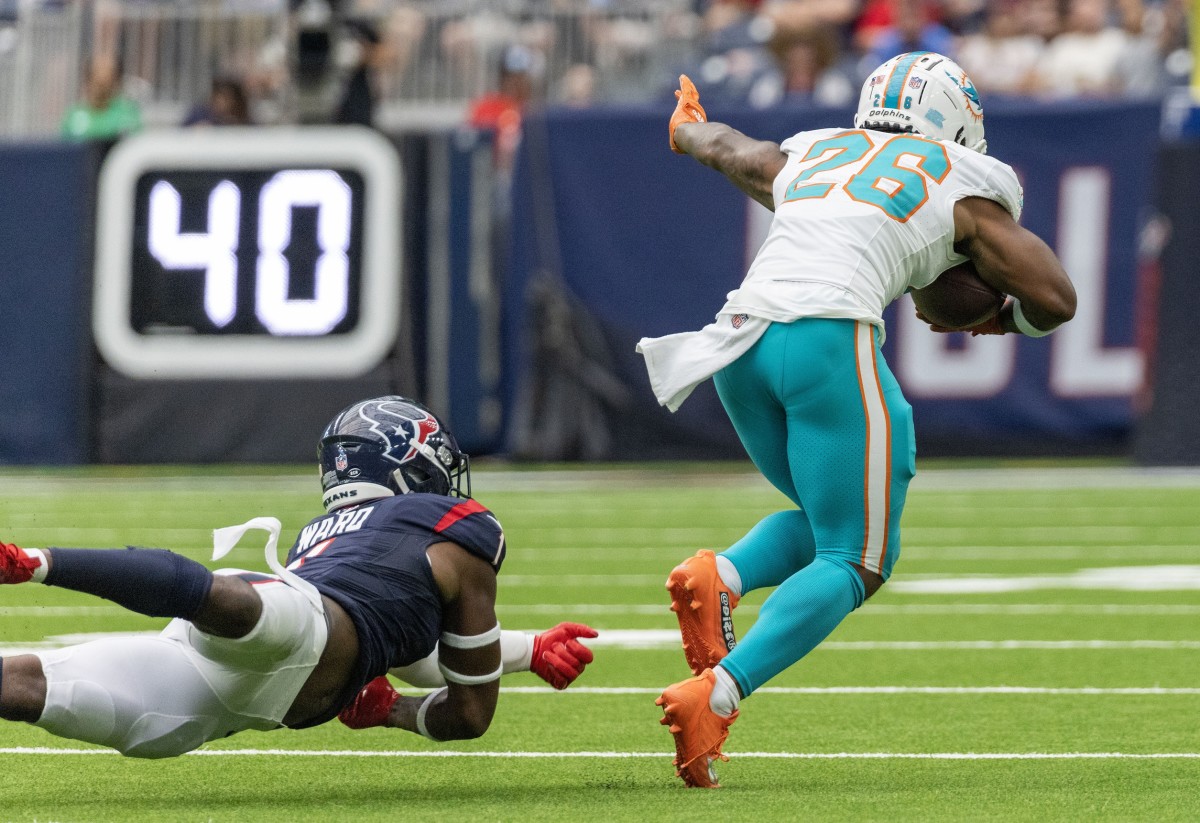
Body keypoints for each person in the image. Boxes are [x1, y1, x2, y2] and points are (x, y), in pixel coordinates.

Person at [638, 52, 1076, 787]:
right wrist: (1006, 321)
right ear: (955, 120)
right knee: (860, 558)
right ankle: (719, 691)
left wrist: (688, 129)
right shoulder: (965, 180)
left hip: (739, 341)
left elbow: (733, 151)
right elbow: (1056, 296)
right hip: (827, 340)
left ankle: (725, 571)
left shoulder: (816, 151)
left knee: (830, 514)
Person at [0, 396, 596, 757]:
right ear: (411, 465)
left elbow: (413, 642)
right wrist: (394, 714)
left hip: (222, 686)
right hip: (297, 633)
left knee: (35, 686)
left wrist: (530, 648)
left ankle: (37, 563)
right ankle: (37, 563)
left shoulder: (325, 535)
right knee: (234, 606)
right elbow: (469, 712)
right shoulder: (456, 531)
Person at [60, 54, 141, 142]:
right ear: (88, 81)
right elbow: (63, 148)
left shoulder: (127, 115)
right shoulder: (74, 115)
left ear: (116, 82)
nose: (101, 87)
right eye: (97, 81)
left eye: (106, 82)